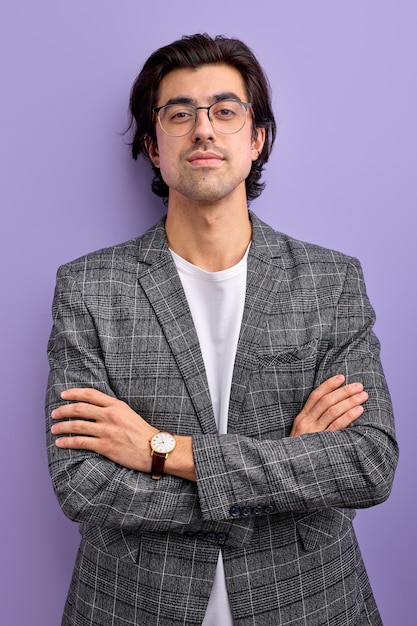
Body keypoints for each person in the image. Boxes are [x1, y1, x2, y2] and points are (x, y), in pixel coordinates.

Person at [46, 33, 398, 626]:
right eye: (179, 113)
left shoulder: (331, 280)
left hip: (311, 604)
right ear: (153, 147)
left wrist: (161, 451)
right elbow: (81, 483)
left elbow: (367, 463)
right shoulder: (88, 288)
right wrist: (288, 466)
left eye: (225, 111)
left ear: (256, 139)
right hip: (132, 607)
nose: (203, 129)